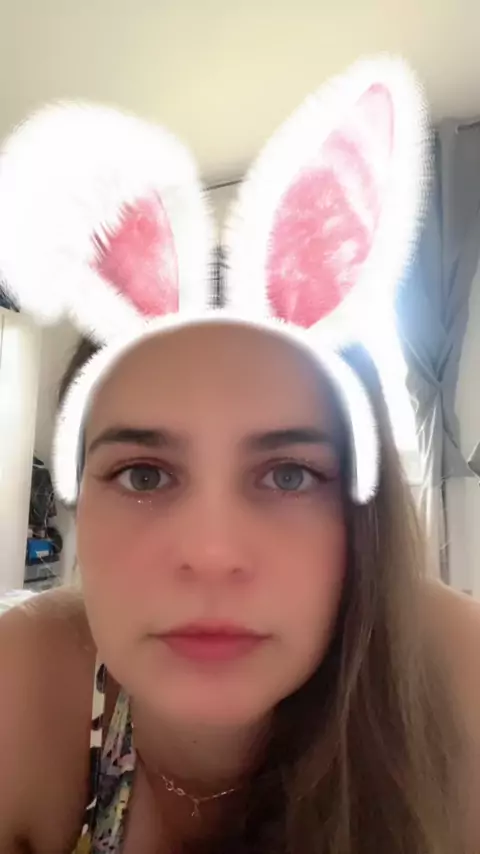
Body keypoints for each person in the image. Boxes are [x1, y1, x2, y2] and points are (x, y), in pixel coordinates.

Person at [0, 57, 479, 854]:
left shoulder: (454, 680)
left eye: (288, 474)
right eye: (145, 474)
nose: (212, 553)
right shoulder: (22, 685)